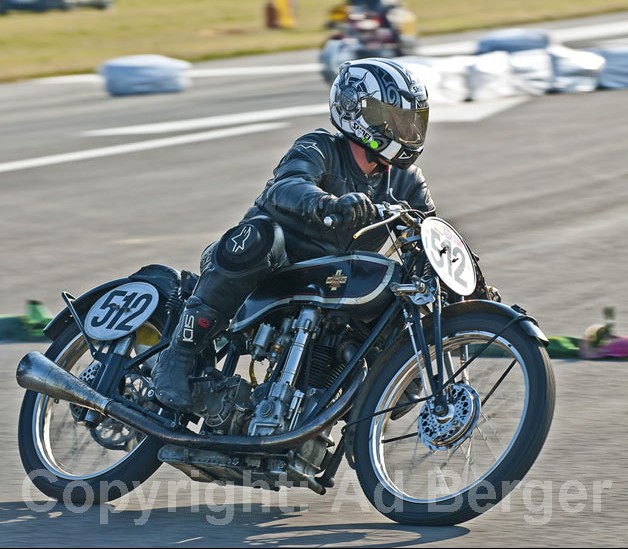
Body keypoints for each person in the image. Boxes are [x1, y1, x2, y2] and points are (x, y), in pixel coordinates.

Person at [151, 57, 435, 412]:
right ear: (358, 112)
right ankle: (179, 354)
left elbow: (428, 234)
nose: (406, 130)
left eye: (411, 120)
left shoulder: (407, 181)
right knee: (261, 236)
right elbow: (288, 186)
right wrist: (329, 204)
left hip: (330, 285)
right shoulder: (319, 147)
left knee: (401, 287)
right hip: (265, 269)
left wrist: (465, 280)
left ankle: (365, 413)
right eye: (395, 119)